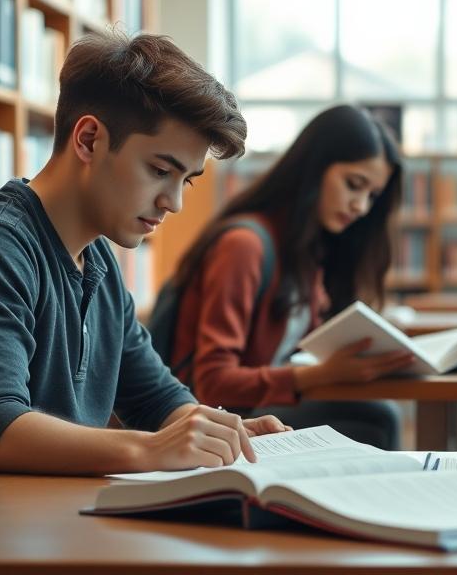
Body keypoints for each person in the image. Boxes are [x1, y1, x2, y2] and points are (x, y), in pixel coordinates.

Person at [0, 32, 288, 500]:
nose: (174, 203)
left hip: (31, 525)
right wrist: (148, 451)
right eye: (160, 170)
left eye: (186, 180)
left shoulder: (97, 258)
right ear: (89, 140)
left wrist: (223, 435)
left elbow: (157, 400)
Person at [163, 104, 412, 450]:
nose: (361, 206)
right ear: (314, 168)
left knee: (375, 413)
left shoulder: (305, 251)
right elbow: (212, 382)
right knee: (376, 417)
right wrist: (319, 375)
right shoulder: (245, 246)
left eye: (372, 196)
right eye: (354, 185)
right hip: (218, 416)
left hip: (259, 408)